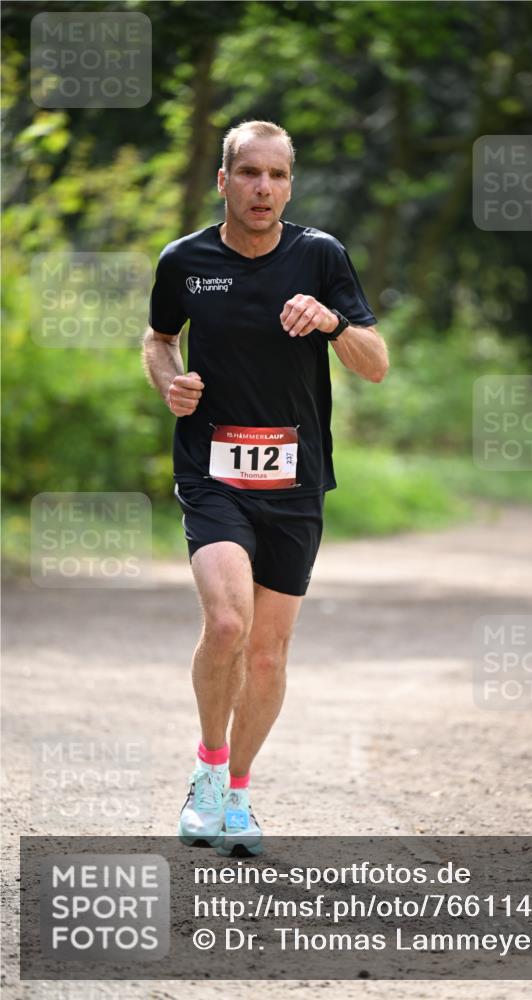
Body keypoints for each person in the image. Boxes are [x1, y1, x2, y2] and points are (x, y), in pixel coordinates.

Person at [142, 120, 388, 855]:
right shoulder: (185, 261)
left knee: (268, 654)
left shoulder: (320, 257)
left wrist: (332, 320)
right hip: (212, 468)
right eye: (249, 173)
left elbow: (373, 363)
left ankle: (239, 793)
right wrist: (170, 383)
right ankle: (208, 774)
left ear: (290, 183)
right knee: (226, 624)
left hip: (295, 476)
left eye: (277, 176)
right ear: (223, 181)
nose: (263, 189)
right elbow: (159, 337)